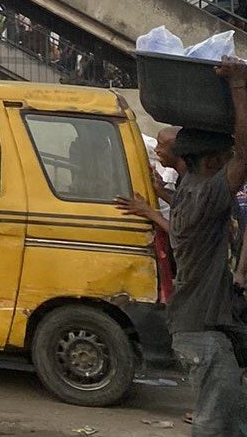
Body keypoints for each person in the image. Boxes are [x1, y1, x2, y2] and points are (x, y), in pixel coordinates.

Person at [120, 61, 247, 436]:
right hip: (202, 332)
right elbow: (245, 153)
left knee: (234, 418)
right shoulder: (205, 191)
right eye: (225, 159)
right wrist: (238, 86)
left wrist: (158, 195)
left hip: (210, 325)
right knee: (214, 421)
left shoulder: (193, 187)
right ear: (210, 162)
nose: (232, 164)